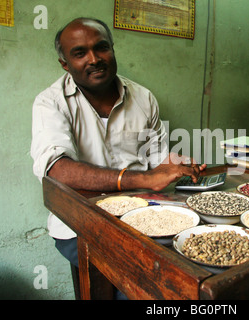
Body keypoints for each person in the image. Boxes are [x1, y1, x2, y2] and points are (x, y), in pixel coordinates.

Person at [30, 18, 206, 270]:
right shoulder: (51, 103)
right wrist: (143, 179)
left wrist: (174, 166)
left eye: (101, 47)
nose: (94, 59)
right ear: (65, 64)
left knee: (194, 262)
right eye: (80, 53)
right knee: (142, 282)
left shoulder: (143, 97)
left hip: (145, 212)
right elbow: (57, 171)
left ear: (112, 49)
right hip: (80, 224)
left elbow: (157, 159)